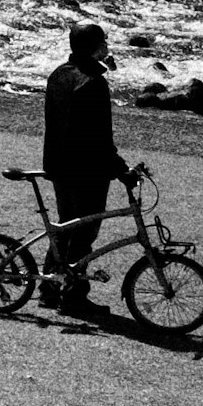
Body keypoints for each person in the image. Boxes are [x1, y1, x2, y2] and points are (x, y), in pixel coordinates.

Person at [42, 22, 129, 308]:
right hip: (87, 170)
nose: (107, 47)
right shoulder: (93, 83)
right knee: (85, 232)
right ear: (95, 48)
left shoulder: (58, 76)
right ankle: (75, 296)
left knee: (65, 226)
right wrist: (121, 169)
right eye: (103, 42)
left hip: (59, 165)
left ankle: (49, 288)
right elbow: (100, 138)